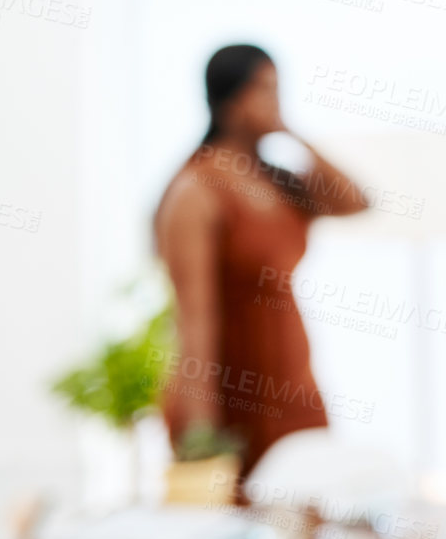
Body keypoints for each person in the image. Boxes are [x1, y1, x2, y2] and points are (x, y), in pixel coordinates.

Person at [153, 44, 369, 483]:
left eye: (278, 89)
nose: (276, 102)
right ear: (231, 100)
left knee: (315, 512)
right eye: (265, 89)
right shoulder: (195, 190)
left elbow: (357, 201)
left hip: (293, 387)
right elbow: (194, 318)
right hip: (232, 397)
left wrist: (293, 133)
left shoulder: (278, 181)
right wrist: (200, 432)